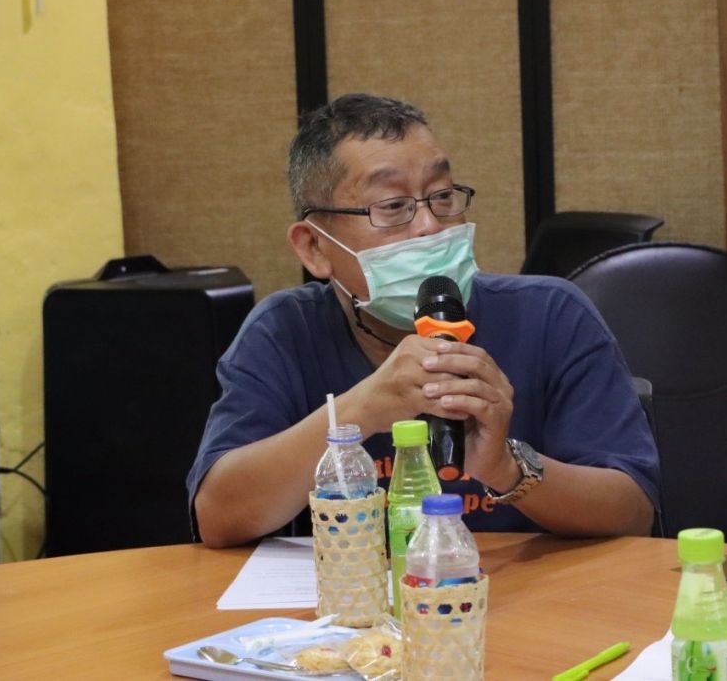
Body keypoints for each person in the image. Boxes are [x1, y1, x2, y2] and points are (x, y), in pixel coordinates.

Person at [188, 93, 659, 548]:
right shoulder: (283, 332)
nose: (430, 224)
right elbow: (218, 517)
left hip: (526, 590)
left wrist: (506, 468)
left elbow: (632, 513)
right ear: (314, 247)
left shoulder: (552, 315)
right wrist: (360, 409)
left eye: (442, 196)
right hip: (355, 596)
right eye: (393, 206)